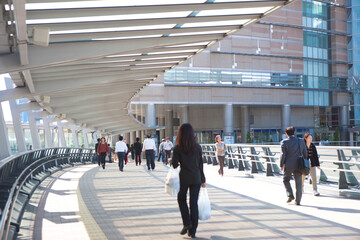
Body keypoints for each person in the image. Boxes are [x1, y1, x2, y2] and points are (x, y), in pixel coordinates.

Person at [172, 123, 206, 239]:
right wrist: (203, 179)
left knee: (181, 199)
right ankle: (193, 231)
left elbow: (175, 165)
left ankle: (187, 223)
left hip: (184, 178)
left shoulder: (178, 148)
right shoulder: (197, 147)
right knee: (193, 203)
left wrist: (173, 158)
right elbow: (201, 165)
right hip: (196, 178)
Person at [280, 126, 307, 205]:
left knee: (285, 180)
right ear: (294, 133)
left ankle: (290, 195)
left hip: (288, 165)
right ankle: (298, 201)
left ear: (286, 134)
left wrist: (281, 164)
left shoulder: (284, 142)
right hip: (299, 164)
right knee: (298, 183)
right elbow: (305, 152)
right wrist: (305, 162)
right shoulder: (301, 141)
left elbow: (283, 155)